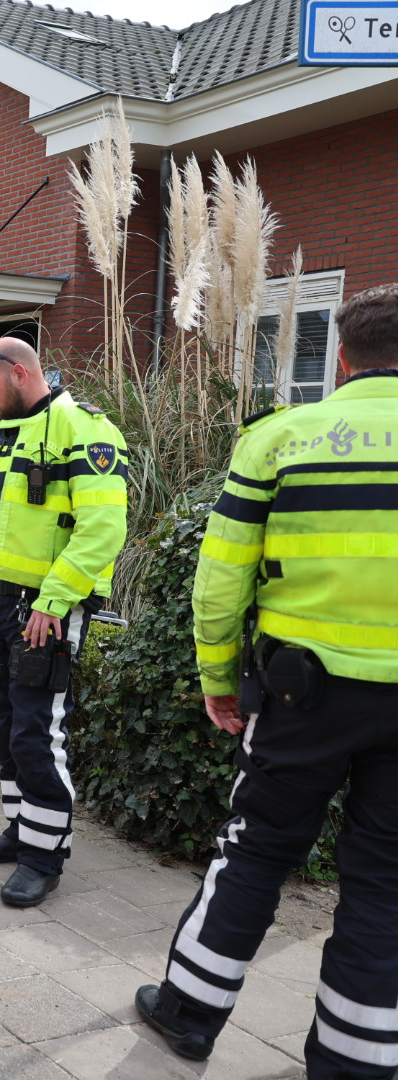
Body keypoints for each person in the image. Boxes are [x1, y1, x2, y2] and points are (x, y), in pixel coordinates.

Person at [137, 285, 398, 1076]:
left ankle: (188, 1014)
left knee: (253, 851)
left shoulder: (281, 438)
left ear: (342, 357)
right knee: (386, 880)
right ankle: (357, 1059)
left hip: (301, 698)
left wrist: (218, 676)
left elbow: (219, 584)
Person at [0, 337, 129, 907]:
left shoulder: (84, 429)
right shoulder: (4, 431)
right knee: (5, 727)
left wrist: (53, 602)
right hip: (0, 602)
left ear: (22, 373)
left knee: (37, 733)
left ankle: (44, 857)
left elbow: (103, 530)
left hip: (44, 611)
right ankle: (20, 831)